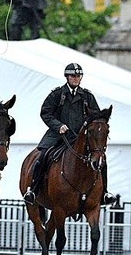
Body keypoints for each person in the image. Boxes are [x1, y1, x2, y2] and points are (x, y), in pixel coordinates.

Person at [23, 63, 115, 206]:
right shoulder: (57, 94)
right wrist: (58, 126)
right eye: (73, 76)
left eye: (78, 76)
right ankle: (33, 190)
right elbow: (45, 113)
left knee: (101, 159)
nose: (76, 78)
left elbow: (96, 117)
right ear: (67, 77)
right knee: (43, 155)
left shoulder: (87, 96)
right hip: (57, 135)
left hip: (80, 138)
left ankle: (105, 193)